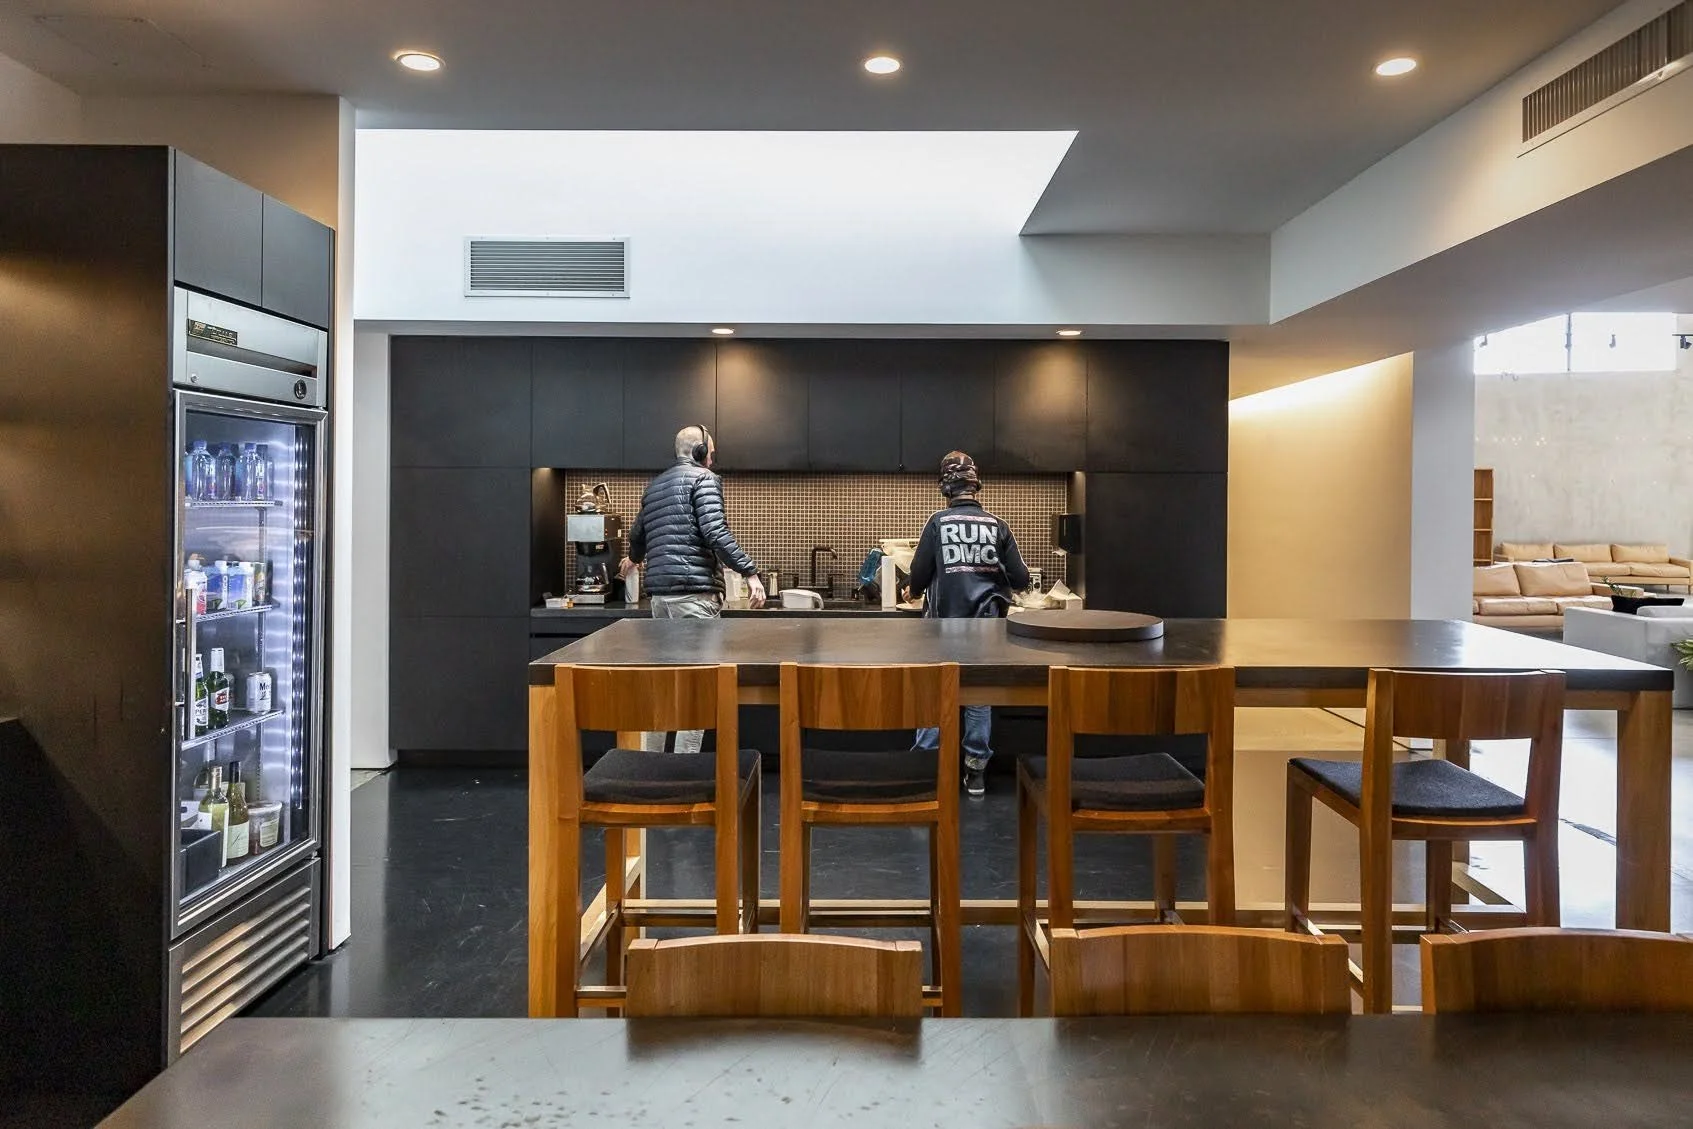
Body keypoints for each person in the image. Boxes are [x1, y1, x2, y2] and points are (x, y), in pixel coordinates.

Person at [621, 424, 765, 754]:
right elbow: (715, 532)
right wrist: (750, 572)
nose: (712, 459)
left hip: (661, 599)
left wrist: (633, 560)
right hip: (694, 596)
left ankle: (652, 765)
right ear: (700, 452)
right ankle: (684, 770)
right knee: (697, 687)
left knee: (664, 684)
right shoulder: (704, 479)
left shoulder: (654, 487)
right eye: (710, 453)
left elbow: (637, 535)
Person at [907, 450, 1030, 796]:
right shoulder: (997, 525)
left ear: (945, 488)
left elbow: (918, 576)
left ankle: (929, 770)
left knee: (933, 692)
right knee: (978, 696)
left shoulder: (938, 523)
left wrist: (911, 590)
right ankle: (975, 772)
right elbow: (1021, 579)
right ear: (976, 487)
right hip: (985, 629)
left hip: (941, 626)